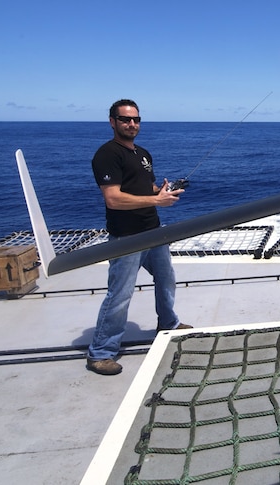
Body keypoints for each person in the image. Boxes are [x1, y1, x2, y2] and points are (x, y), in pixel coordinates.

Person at [86, 99, 192, 376]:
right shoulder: (107, 154)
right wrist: (156, 201)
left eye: (135, 119)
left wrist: (162, 191)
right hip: (127, 237)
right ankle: (101, 352)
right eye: (125, 119)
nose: (131, 124)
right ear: (112, 122)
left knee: (166, 278)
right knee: (120, 294)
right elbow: (113, 199)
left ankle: (168, 324)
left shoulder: (143, 154)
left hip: (152, 230)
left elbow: (146, 187)